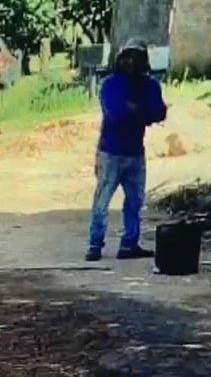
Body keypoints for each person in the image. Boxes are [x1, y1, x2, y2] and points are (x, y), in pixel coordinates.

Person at [86, 38, 167, 262]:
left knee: (134, 201)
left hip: (133, 152)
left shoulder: (148, 85)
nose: (132, 61)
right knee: (102, 201)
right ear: (121, 59)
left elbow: (159, 112)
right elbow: (116, 113)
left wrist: (133, 109)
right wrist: (142, 112)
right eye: (129, 56)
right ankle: (94, 245)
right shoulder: (111, 84)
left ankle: (129, 244)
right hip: (111, 152)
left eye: (137, 56)